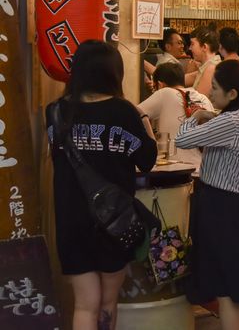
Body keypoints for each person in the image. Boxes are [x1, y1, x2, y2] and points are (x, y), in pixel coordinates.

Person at [45, 40, 157, 330]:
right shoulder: (124, 112)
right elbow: (147, 160)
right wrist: (142, 116)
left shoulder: (56, 111)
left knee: (84, 304)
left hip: (71, 220)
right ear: (113, 73)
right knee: (107, 302)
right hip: (114, 222)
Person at [175, 60, 239, 330]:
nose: (211, 93)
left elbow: (182, 140)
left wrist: (194, 117)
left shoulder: (232, 121)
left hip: (222, 207)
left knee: (226, 289)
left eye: (215, 88)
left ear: (232, 94)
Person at [137, 62, 213, 169]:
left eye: (154, 87)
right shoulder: (204, 99)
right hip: (206, 171)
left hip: (177, 170)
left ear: (160, 84)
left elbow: (132, 115)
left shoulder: (164, 93)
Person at [185, 26, 221, 97]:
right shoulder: (207, 66)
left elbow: (198, 103)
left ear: (204, 47)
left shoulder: (211, 68)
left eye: (192, 44)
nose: (190, 48)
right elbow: (179, 80)